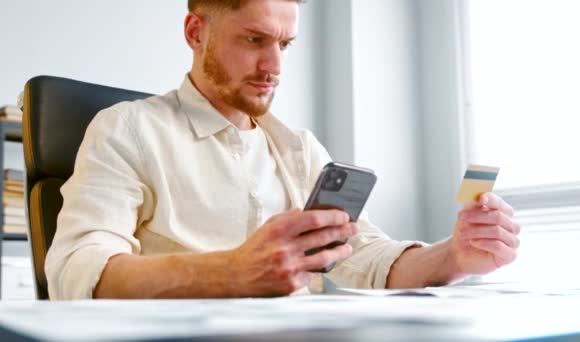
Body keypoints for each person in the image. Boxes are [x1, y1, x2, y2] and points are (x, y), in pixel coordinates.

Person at [45, 0, 521, 300]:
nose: (273, 65)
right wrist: (230, 273)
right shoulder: (127, 129)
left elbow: (368, 259)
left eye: (286, 44)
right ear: (196, 32)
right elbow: (74, 271)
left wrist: (455, 257)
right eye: (254, 40)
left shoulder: (298, 149)